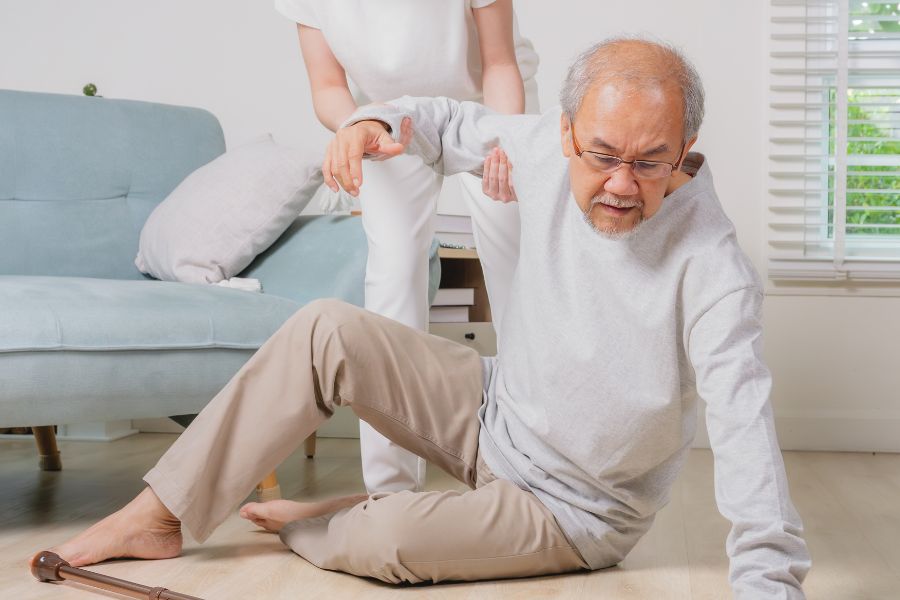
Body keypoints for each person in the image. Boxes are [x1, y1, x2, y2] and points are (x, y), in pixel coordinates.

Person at [49, 37, 810, 598]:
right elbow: (442, 122)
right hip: (493, 410)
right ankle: (160, 513)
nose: (619, 184)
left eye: (650, 163)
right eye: (601, 153)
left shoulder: (714, 270)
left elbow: (746, 427)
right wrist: (369, 124)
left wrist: (769, 584)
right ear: (567, 131)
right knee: (325, 328)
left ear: (686, 152)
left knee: (385, 543)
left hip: (572, 507)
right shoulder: (545, 148)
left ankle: (337, 518)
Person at [274, 0, 540, 495]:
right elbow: (328, 87)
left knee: (515, 277)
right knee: (392, 286)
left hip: (492, 111)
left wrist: (509, 142)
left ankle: (535, 469)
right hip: (388, 123)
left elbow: (500, 61)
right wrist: (357, 125)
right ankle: (390, 490)